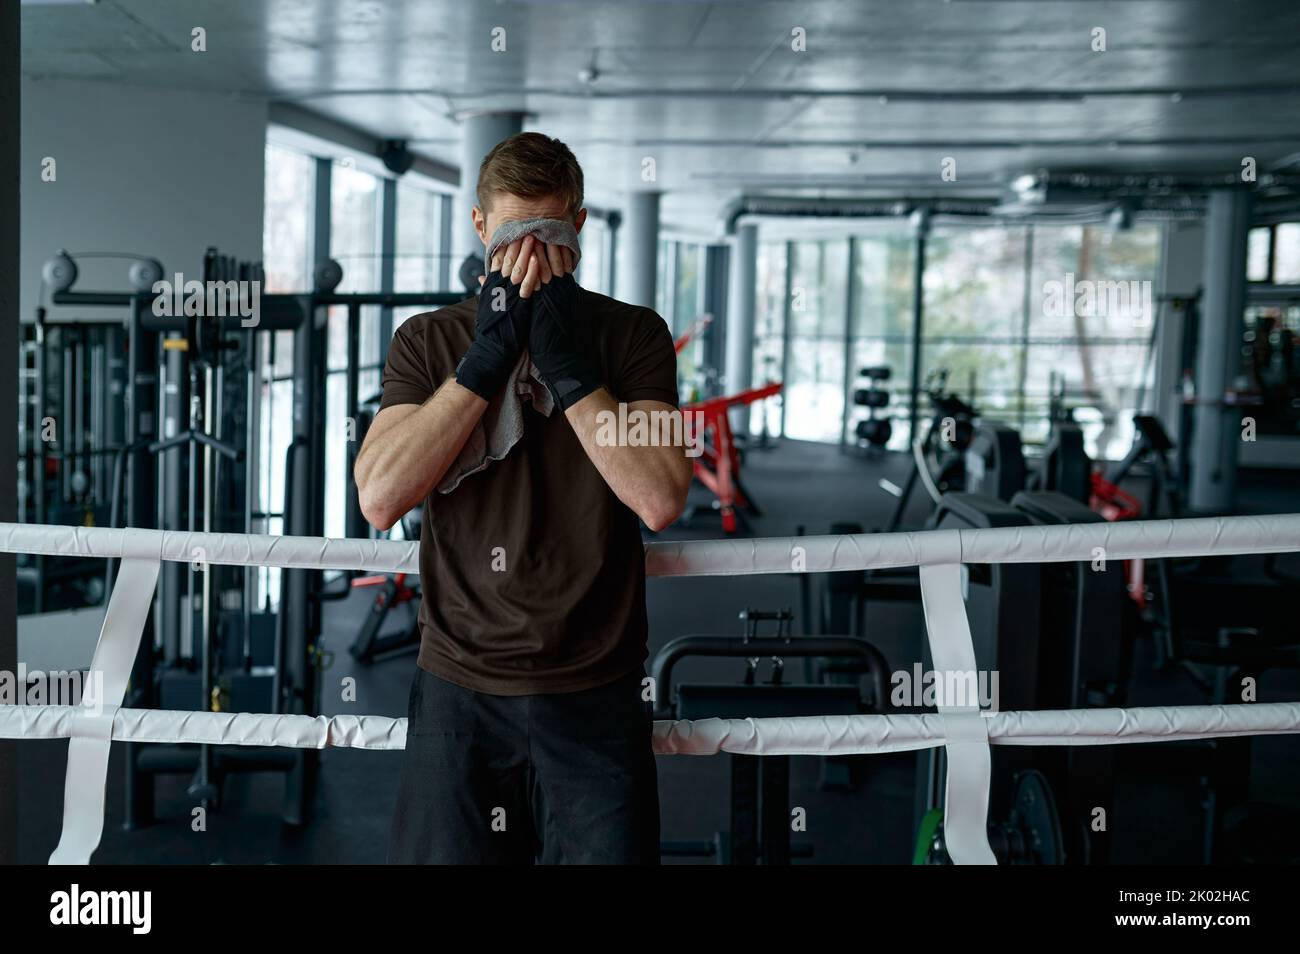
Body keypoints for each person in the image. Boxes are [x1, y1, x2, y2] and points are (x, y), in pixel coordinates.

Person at [354, 131, 692, 864]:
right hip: (460, 687)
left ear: (578, 224)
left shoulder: (632, 336)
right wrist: (488, 357)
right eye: (513, 236)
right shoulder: (429, 341)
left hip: (597, 689)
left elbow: (661, 498)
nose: (531, 255)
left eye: (547, 234)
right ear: (481, 230)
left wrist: (567, 364)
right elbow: (380, 497)